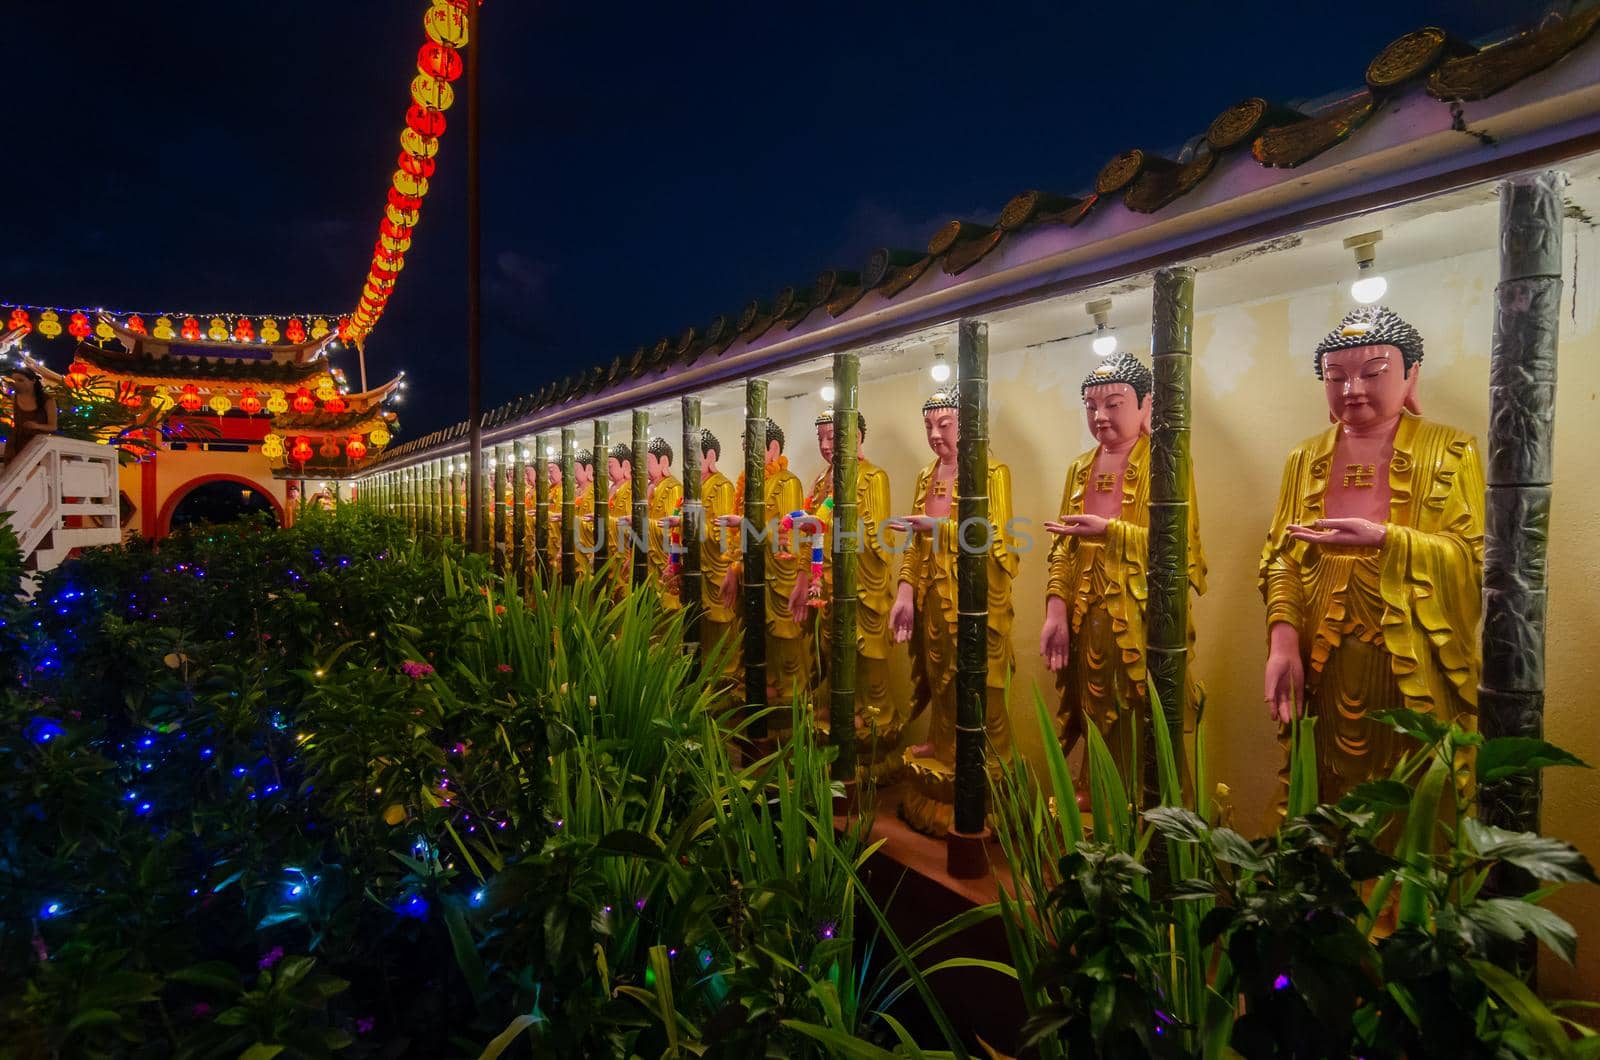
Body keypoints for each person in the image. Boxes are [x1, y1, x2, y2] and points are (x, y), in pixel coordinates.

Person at [1260, 305, 1483, 812]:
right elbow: (1281, 557)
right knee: (1324, 779)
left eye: (1373, 374)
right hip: (1321, 651)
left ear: (1411, 377)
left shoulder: (1452, 449)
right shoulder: (1304, 457)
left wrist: (1387, 539)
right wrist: (1282, 642)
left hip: (1413, 649)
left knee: (1417, 780)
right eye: (1335, 377)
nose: (1352, 389)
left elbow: (1471, 558)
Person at [1041, 352, 1205, 801]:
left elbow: (1179, 547)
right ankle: (1096, 785)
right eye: (1092, 407)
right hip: (1083, 606)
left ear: (1146, 405)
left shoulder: (1166, 460)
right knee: (1092, 697)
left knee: (1136, 701)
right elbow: (1062, 542)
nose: (1100, 417)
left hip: (1139, 610)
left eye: (1114, 404)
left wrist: (1110, 531)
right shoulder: (1079, 467)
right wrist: (1055, 610)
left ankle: (1142, 798)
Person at [888, 389, 1018, 835]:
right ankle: (942, 744)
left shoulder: (992, 472)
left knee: (978, 680)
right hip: (931, 593)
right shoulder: (927, 475)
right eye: (929, 426)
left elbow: (995, 536)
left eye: (945, 424)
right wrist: (904, 593)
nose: (935, 434)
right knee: (939, 669)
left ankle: (983, 761)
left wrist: (939, 527)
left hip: (975, 599)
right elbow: (913, 540)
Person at [3, 367, 58, 462]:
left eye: (21, 380)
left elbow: (53, 427)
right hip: (15, 443)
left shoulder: (47, 400)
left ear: (32, 381)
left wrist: (36, 426)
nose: (17, 383)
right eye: (14, 380)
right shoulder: (14, 397)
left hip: (36, 443)